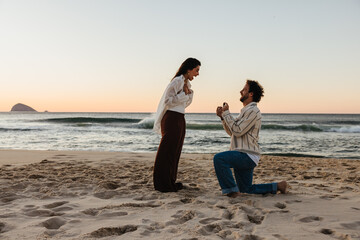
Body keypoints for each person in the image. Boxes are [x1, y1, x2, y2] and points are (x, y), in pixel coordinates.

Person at [213, 80, 287, 197]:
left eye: (244, 89)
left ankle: (232, 191)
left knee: (219, 159)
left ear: (251, 94)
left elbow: (237, 131)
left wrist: (227, 113)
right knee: (246, 189)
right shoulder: (246, 111)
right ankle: (278, 186)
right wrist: (223, 118)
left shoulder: (253, 111)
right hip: (243, 153)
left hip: (246, 155)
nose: (241, 91)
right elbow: (232, 132)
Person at [153, 58, 201, 192]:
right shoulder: (177, 81)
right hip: (171, 118)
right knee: (166, 151)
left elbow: (185, 103)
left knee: (175, 151)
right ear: (189, 69)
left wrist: (188, 93)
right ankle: (161, 184)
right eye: (196, 70)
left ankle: (170, 182)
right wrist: (184, 94)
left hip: (180, 117)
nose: (197, 74)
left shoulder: (186, 84)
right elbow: (167, 101)